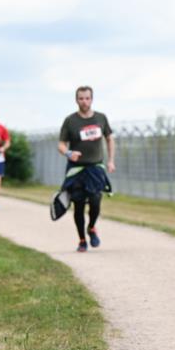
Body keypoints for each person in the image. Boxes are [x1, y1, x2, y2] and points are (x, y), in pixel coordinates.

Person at [58, 86, 115, 251]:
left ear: (92, 99)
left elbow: (110, 139)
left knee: (96, 200)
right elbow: (61, 144)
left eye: (87, 98)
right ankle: (82, 239)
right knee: (79, 205)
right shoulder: (70, 121)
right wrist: (68, 153)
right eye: (81, 98)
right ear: (76, 100)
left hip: (95, 167)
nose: (84, 101)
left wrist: (111, 161)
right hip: (76, 169)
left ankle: (92, 227)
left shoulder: (101, 118)